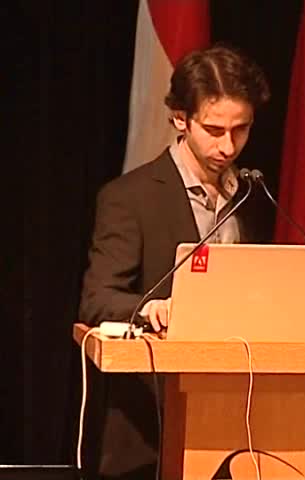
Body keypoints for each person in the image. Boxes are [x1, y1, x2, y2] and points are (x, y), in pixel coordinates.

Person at [79, 43, 271, 479]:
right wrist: (149, 309)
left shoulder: (253, 194)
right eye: (213, 129)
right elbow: (97, 299)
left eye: (241, 129)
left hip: (241, 417)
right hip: (153, 422)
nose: (228, 146)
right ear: (180, 119)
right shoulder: (129, 198)